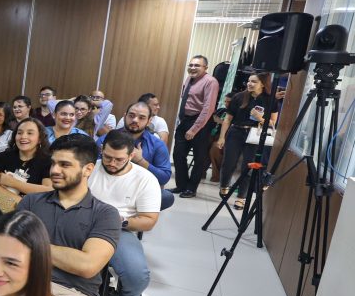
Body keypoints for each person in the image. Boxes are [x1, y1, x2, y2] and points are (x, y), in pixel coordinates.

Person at [16, 134, 121, 296]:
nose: (54, 170)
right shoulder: (31, 202)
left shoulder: (105, 214)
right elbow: (12, 247)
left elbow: (87, 265)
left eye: (64, 164)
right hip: (23, 282)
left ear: (88, 169)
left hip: (73, 294)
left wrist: (33, 244)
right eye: (53, 163)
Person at [88, 130, 161, 296]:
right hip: (82, 221)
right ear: (102, 150)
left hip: (119, 228)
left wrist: (121, 220)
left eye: (119, 160)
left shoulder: (145, 179)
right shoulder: (89, 169)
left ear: (131, 156)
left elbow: (149, 221)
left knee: (136, 275)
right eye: (107, 157)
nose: (112, 163)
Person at [100, 102, 174, 211]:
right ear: (125, 116)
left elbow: (164, 178)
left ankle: (126, 215)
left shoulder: (157, 144)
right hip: (107, 187)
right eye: (131, 116)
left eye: (141, 118)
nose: (135, 120)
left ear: (149, 121)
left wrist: (140, 160)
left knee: (167, 197)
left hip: (137, 192)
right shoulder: (107, 139)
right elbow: (92, 167)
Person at [217, 74, 273, 209]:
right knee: (228, 162)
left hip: (254, 134)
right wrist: (222, 137)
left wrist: (260, 118)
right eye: (249, 81)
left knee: (248, 167)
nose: (249, 83)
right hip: (236, 132)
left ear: (263, 84)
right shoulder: (239, 97)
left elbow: (272, 123)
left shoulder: (269, 99)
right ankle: (224, 185)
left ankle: (241, 197)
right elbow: (228, 119)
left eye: (254, 81)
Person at [172, 55, 220, 198]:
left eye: (197, 65)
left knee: (199, 158)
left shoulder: (210, 82)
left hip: (201, 123)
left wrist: (194, 129)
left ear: (205, 68)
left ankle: (191, 189)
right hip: (185, 121)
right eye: (191, 65)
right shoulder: (189, 79)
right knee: (178, 154)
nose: (193, 68)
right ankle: (181, 185)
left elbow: (208, 108)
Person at [0, 117, 53, 197]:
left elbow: (48, 191)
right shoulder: (3, 156)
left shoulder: (48, 161)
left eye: (30, 133)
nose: (23, 136)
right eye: (19, 133)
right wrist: (13, 198)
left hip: (29, 208)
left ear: (40, 139)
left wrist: (13, 183)